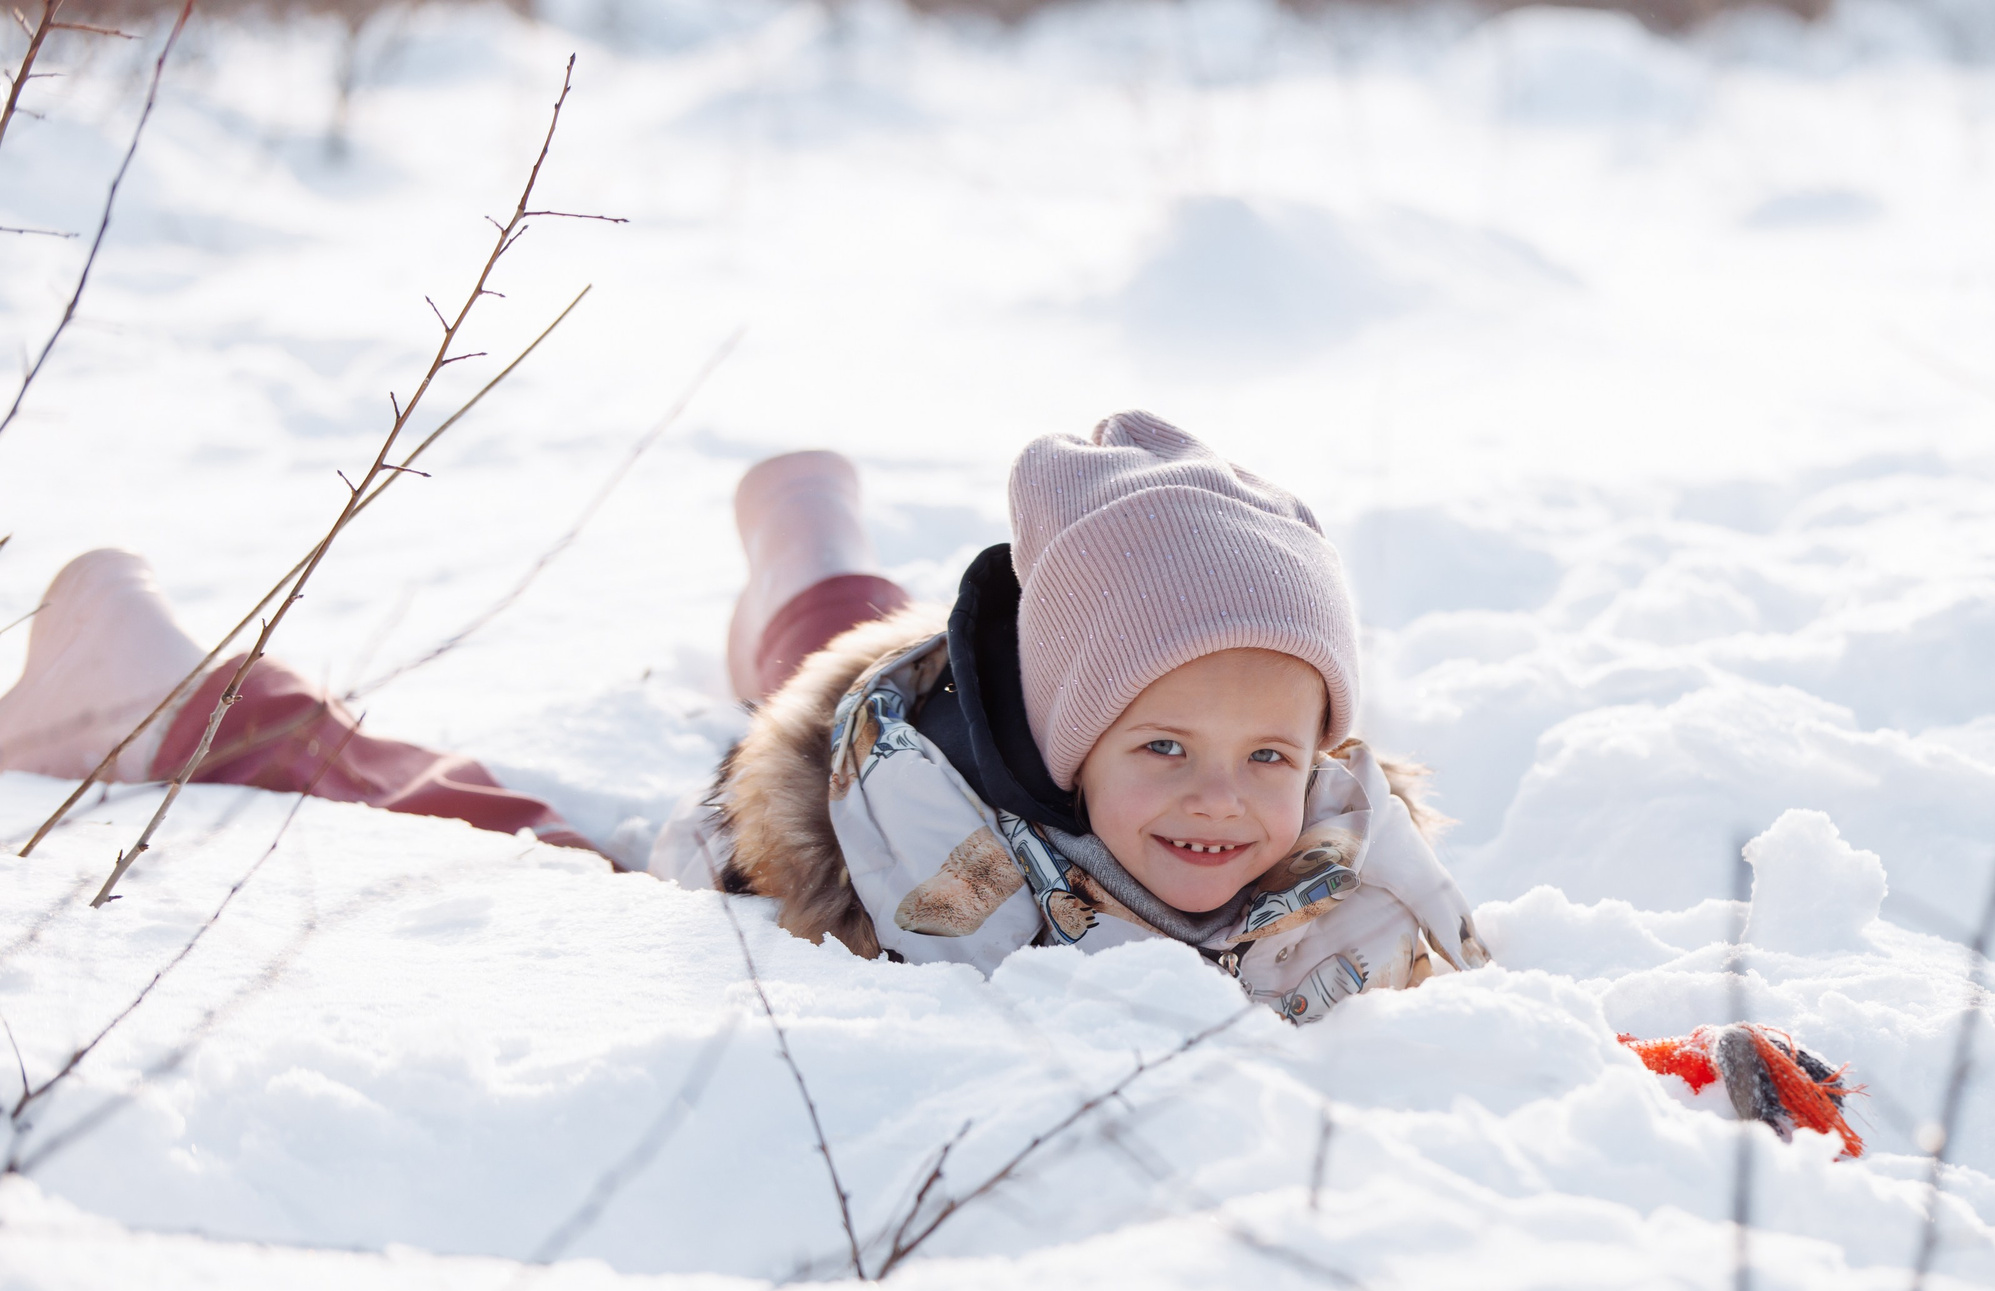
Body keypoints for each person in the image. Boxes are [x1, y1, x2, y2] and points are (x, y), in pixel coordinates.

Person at [0, 412, 1487, 1024]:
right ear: (1063, 742)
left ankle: (809, 551)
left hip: (911, 701)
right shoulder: (906, 845)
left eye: (1269, 757)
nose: (1223, 798)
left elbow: (1451, 991)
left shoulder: (1334, 834)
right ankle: (181, 697)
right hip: (829, 808)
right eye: (1162, 747)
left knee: (861, 657)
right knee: (544, 839)